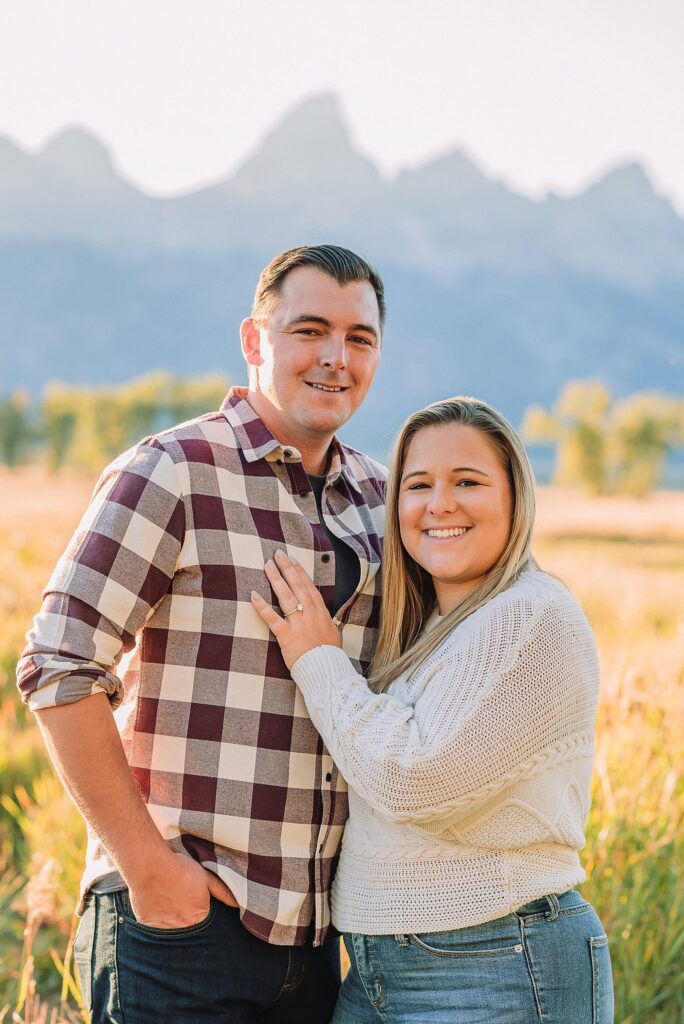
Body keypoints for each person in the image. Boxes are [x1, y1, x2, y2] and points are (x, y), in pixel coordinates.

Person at [16, 244, 388, 1024]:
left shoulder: (381, 500)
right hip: (180, 930)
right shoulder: (174, 470)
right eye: (310, 330)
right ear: (255, 342)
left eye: (359, 338)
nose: (335, 357)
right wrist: (149, 871)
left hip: (318, 943)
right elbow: (59, 664)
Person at [252, 396, 615, 1024]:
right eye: (418, 485)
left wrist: (319, 659)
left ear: (515, 498)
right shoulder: (437, 630)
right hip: (376, 970)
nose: (439, 504)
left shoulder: (530, 615)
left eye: (467, 482)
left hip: (497, 962)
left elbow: (412, 778)